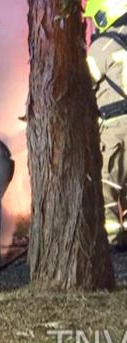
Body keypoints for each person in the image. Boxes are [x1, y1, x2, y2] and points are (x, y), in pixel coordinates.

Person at [86, 0, 127, 249]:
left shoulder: (101, 47)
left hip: (116, 127)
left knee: (108, 183)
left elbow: (83, 87)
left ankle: (114, 242)